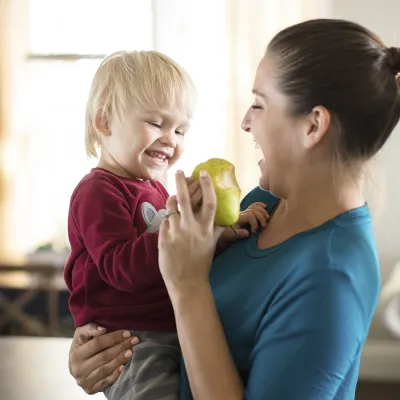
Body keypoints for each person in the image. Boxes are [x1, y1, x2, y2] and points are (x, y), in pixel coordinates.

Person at [67, 19, 400, 399]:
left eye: (258, 104)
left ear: (313, 126)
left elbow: (185, 285)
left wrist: (187, 285)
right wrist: (97, 353)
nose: (244, 122)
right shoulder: (265, 205)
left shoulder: (332, 277)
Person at [64, 50, 268, 400]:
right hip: (132, 340)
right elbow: (121, 267)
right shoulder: (97, 191)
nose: (171, 139)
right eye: (156, 123)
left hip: (170, 327)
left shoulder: (154, 189)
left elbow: (179, 254)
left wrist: (220, 232)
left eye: (181, 129)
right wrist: (182, 222)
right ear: (105, 122)